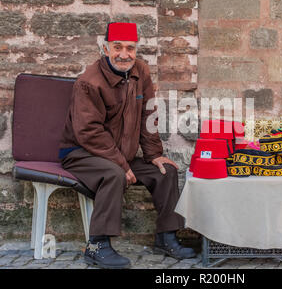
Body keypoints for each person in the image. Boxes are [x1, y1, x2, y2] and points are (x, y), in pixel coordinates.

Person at [59, 22, 195, 269]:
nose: (124, 54)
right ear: (105, 48)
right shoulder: (89, 82)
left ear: (136, 49)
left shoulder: (140, 71)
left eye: (130, 48)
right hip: (81, 153)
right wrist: (121, 164)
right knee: (114, 174)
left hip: (119, 154)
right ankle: (97, 245)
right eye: (117, 47)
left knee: (166, 171)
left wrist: (153, 153)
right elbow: (88, 132)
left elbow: (148, 115)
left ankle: (166, 236)